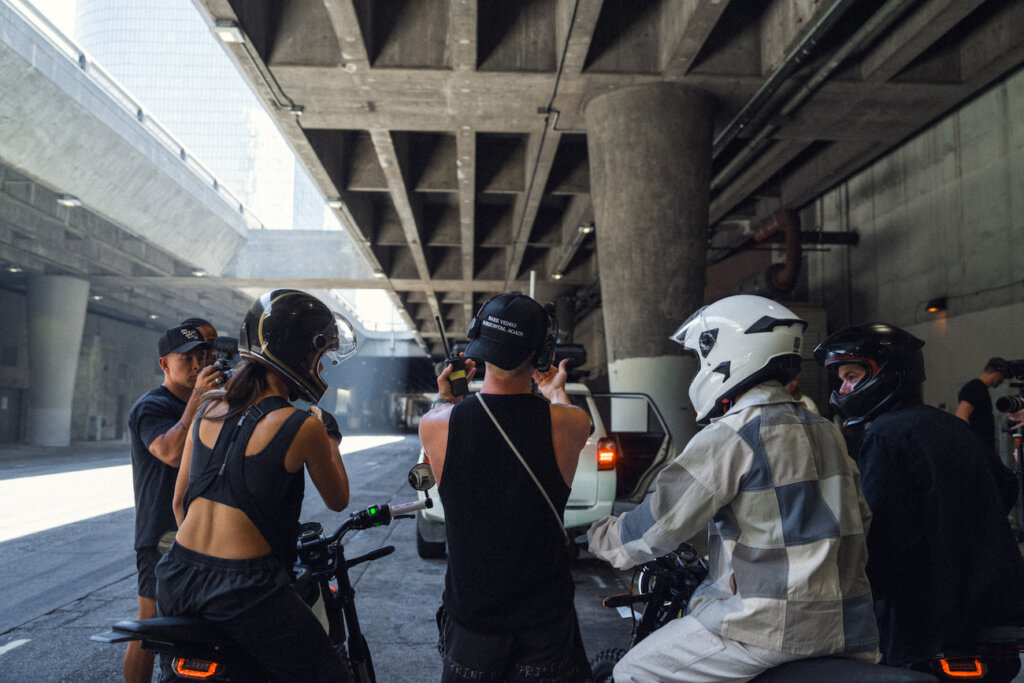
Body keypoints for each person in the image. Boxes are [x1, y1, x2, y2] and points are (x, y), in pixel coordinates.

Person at [586, 294, 879, 682]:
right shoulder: (826, 430)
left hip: (767, 629)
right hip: (849, 625)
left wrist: (595, 538)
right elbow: (859, 517)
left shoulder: (732, 434)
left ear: (726, 353)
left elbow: (653, 530)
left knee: (632, 671)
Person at [156, 289, 356, 682]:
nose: (322, 367)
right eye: (320, 356)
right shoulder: (304, 426)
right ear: (301, 356)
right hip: (246, 590)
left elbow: (180, 504)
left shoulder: (207, 409)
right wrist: (330, 433)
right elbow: (338, 499)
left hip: (177, 575)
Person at [815, 324, 1024, 675]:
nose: (844, 388)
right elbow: (1004, 486)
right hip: (991, 617)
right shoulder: (950, 425)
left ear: (887, 371)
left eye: (851, 376)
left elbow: (884, 535)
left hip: (924, 627)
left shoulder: (885, 434)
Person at [418, 292, 594, 682]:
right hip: (545, 622)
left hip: (472, 622)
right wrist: (552, 388)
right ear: (542, 353)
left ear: (479, 346)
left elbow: (457, 415)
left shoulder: (436, 425)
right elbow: (570, 418)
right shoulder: (571, 424)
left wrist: (448, 394)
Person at [125, 323, 223, 683]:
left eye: (205, 354)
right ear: (165, 364)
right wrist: (198, 400)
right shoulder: (152, 406)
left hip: (203, 530)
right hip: (162, 532)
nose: (199, 362)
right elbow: (169, 451)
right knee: (150, 624)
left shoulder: (215, 404)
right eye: (188, 357)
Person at [956, 357, 1006, 451]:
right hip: (979, 447)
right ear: (998, 374)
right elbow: (961, 416)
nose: (1003, 380)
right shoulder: (976, 387)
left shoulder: (979, 388)